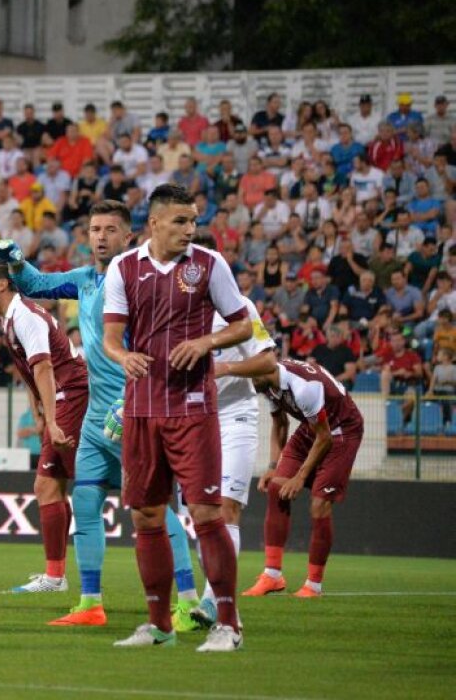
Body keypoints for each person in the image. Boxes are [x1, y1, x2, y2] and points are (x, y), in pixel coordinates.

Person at [0, 200, 199, 628]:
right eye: (94, 229)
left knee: (153, 507)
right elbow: (40, 284)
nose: (100, 236)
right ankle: (90, 603)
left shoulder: (139, 281)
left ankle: (190, 601)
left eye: (109, 229)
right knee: (84, 500)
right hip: (96, 414)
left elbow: (158, 344)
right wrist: (17, 262)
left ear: (129, 237)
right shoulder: (85, 278)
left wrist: (134, 399)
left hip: (132, 408)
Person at [102, 183, 252, 652]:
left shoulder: (210, 265)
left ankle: (228, 624)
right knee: (146, 516)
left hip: (192, 408)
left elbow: (244, 323)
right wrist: (121, 358)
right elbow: (112, 337)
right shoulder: (123, 268)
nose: (191, 230)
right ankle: (159, 624)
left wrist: (207, 343)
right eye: (181, 222)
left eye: (194, 222)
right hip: (142, 408)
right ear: (155, 223)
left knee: (207, 514)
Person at [0, 258, 89, 618]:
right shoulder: (8, 317)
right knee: (47, 486)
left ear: (3, 285)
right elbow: (27, 371)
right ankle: (55, 576)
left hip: (71, 395)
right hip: (60, 400)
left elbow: (44, 366)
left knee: (90, 484)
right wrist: (39, 413)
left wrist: (53, 420)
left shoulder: (25, 316)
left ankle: (86, 584)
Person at [187, 232, 279, 630]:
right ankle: (208, 594)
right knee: (198, 513)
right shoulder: (170, 308)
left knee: (227, 508)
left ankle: (213, 602)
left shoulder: (240, 309)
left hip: (235, 414)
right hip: (190, 418)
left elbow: (268, 365)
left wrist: (225, 368)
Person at [240, 359, 363, 598]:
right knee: (276, 488)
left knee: (319, 505)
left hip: (340, 432)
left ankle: (313, 586)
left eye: (251, 374)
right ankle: (272, 576)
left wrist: (299, 476)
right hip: (312, 428)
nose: (249, 380)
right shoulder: (268, 385)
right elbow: (280, 424)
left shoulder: (303, 386)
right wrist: (273, 466)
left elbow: (325, 438)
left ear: (265, 368)